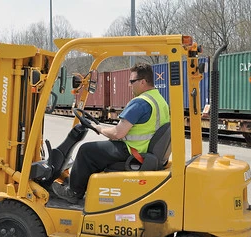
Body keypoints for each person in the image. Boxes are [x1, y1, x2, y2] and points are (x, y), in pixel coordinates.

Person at [52, 62, 170, 204]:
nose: (129, 85)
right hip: (145, 150)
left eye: (132, 81)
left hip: (133, 151)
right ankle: (83, 183)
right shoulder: (159, 100)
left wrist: (100, 128)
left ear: (143, 82)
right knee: (102, 149)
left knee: (86, 151)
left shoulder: (140, 103)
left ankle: (73, 192)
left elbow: (117, 133)